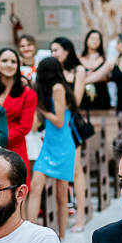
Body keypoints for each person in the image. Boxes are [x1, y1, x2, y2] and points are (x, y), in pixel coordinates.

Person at [26, 58, 77, 243]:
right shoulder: (46, 90)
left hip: (63, 146)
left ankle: (62, 239)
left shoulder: (58, 88)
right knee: (35, 187)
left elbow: (59, 121)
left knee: (61, 195)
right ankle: (29, 237)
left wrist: (41, 110)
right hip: (48, 145)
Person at [49, 37, 88, 232]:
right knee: (61, 172)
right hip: (54, 125)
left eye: (56, 50)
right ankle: (63, 214)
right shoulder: (53, 71)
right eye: (51, 51)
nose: (53, 54)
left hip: (71, 123)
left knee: (75, 169)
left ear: (66, 51)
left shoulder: (78, 70)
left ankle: (81, 213)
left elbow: (76, 100)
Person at [0, 48, 37, 185]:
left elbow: (25, 127)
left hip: (15, 147)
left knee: (17, 189)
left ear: (18, 65)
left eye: (13, 62)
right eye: (4, 61)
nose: (9, 65)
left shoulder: (28, 94)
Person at [80, 29, 111, 109]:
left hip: (101, 92)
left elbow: (109, 76)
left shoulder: (105, 58)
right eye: (92, 39)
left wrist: (97, 76)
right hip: (83, 93)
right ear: (87, 40)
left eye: (98, 39)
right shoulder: (79, 58)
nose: (95, 41)